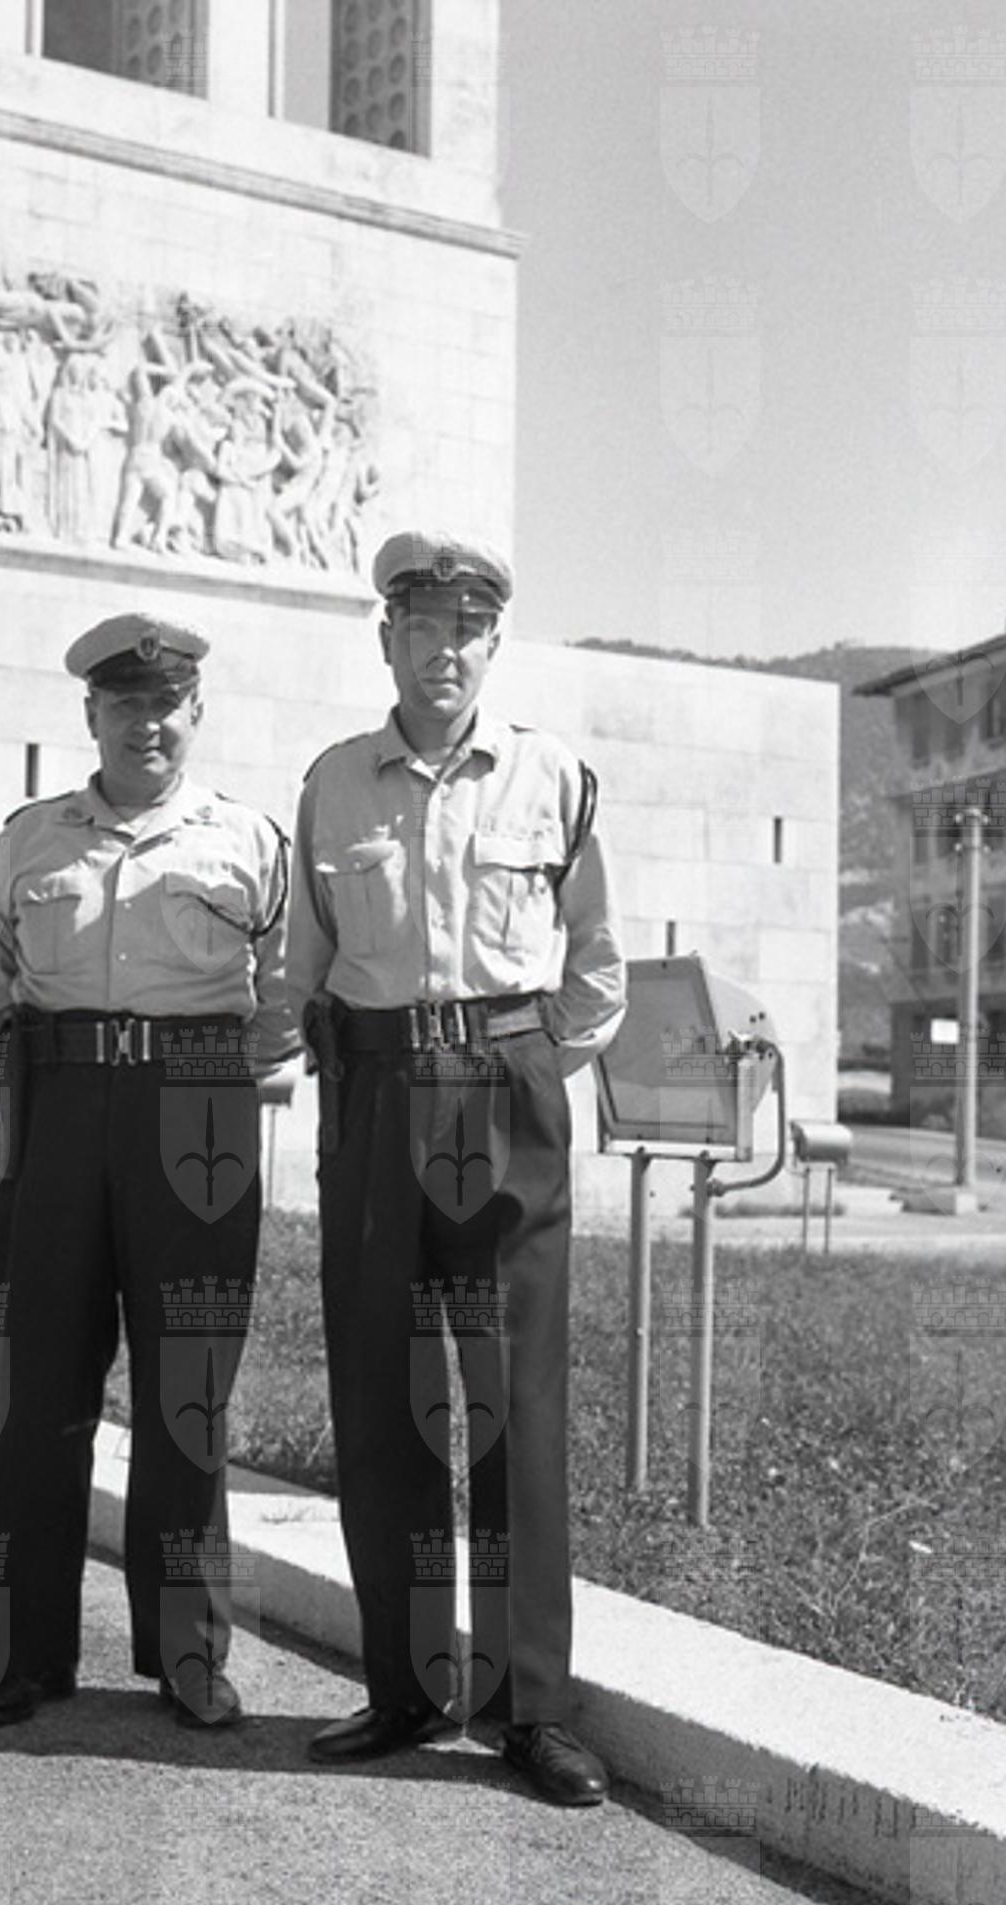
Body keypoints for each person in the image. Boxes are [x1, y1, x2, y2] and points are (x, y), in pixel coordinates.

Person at [288, 530, 626, 1808]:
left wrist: (525, 1062)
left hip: (503, 1087)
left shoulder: (553, 776)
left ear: (493, 643)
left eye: (466, 629)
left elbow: (594, 962)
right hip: (376, 1092)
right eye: (420, 626)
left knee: (513, 1400)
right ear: (386, 639)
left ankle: (530, 1707)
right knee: (380, 1393)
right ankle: (405, 1684)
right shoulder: (332, 783)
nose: (443, 649)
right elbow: (306, 964)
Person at [0, 612, 294, 1730]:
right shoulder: (29, 840)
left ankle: (188, 1653)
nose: (145, 723)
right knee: (37, 1390)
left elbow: (287, 987)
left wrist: (214, 1071)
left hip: (196, 1114)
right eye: (123, 704)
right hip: (55, 1110)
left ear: (195, 712)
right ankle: (25, 1656)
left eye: (164, 704)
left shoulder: (245, 839)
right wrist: (49, 1081)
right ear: (89, 714)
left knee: (186, 1388)